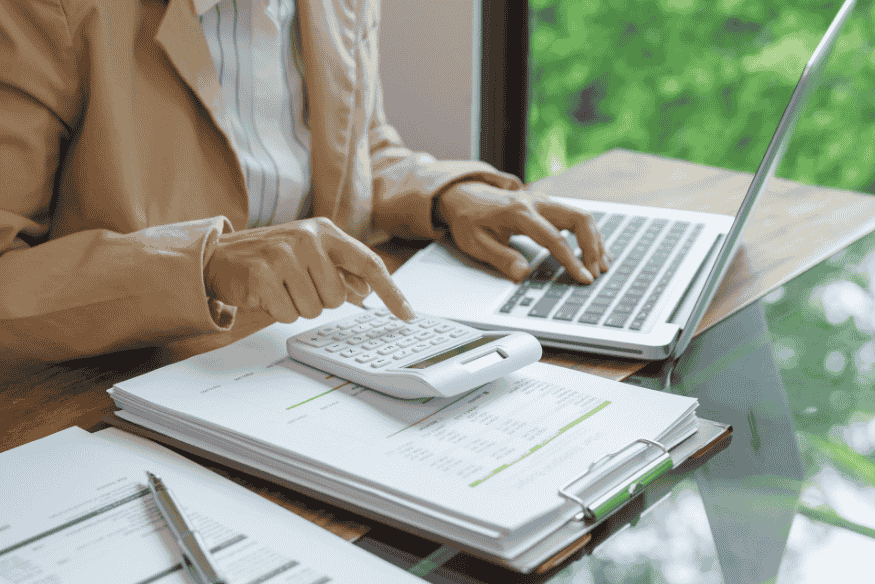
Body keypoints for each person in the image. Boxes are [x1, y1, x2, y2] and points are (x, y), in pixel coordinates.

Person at [0, 0, 608, 363]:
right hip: (120, 383)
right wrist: (204, 265)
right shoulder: (43, 14)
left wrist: (447, 195)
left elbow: (357, 146)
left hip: (308, 356)